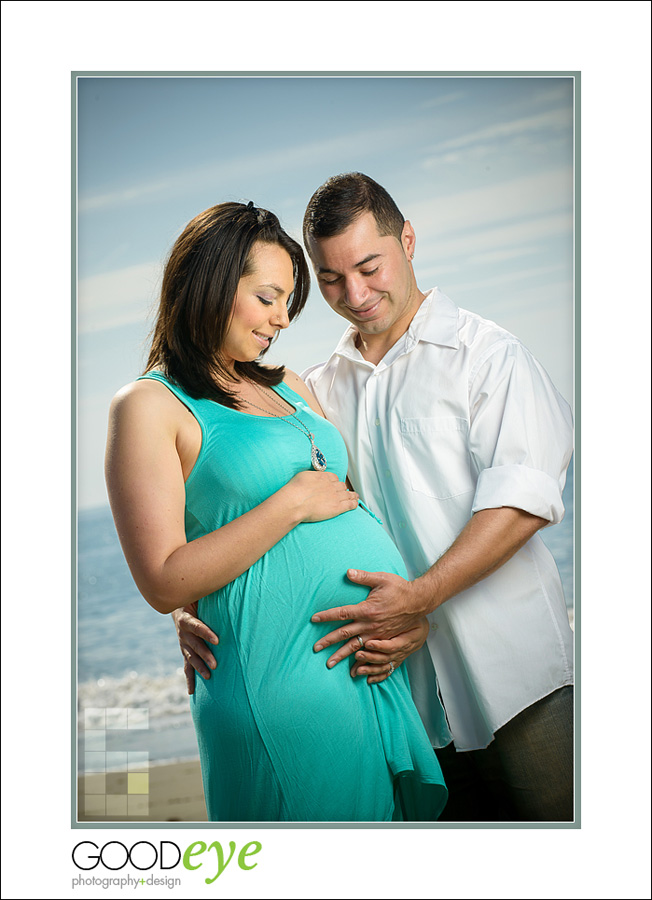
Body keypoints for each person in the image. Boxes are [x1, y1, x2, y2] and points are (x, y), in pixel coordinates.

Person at [175, 175, 575, 823]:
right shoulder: (317, 389)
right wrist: (191, 602)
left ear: (407, 240)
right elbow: (263, 502)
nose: (354, 294)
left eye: (368, 266)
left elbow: (522, 500)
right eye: (330, 279)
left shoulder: (487, 356)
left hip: (512, 680)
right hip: (394, 693)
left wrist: (423, 598)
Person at [105, 200, 447, 823]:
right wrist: (290, 503)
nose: (283, 319)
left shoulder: (289, 383)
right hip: (279, 683)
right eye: (267, 297)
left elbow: (341, 509)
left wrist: (406, 614)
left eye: (289, 301)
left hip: (360, 665)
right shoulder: (148, 406)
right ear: (209, 285)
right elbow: (162, 578)